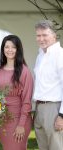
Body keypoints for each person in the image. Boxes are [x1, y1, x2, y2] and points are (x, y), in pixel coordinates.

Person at [0, 35, 33, 150]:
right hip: (2, 120)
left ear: (18, 49)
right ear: (3, 49)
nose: (10, 50)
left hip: (19, 119)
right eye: (7, 47)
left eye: (13, 47)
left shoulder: (24, 71)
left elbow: (27, 101)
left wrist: (21, 125)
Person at [33, 20, 63, 150]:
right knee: (43, 147)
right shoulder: (40, 55)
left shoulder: (60, 55)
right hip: (39, 108)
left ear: (54, 36)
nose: (41, 39)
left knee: (56, 147)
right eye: (38, 35)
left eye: (45, 35)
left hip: (54, 108)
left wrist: (62, 116)